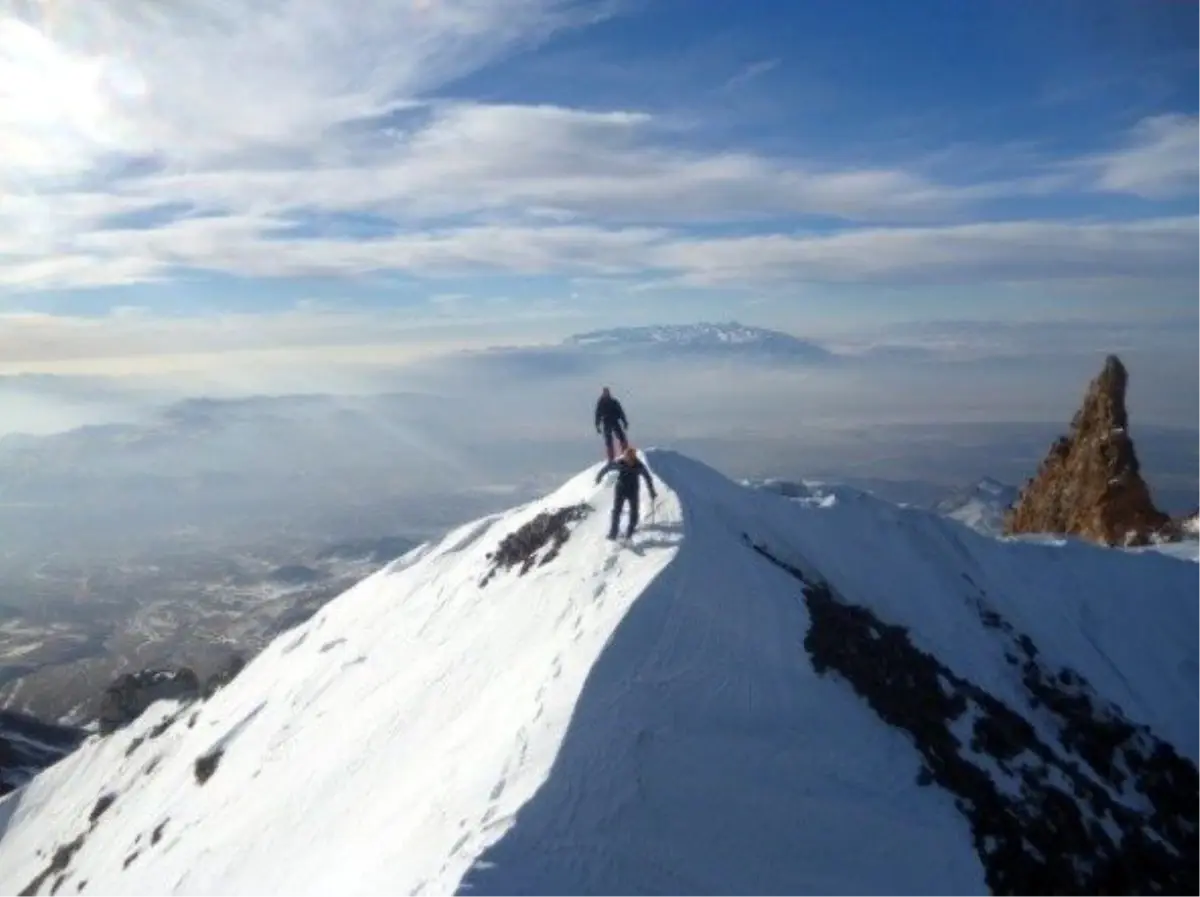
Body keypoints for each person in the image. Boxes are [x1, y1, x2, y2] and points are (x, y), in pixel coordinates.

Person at [595, 446, 657, 540]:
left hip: (633, 491)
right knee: (617, 511)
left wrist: (651, 491)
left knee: (634, 512)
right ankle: (613, 533)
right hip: (620, 490)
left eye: (630, 458)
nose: (629, 460)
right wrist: (599, 477)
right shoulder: (620, 463)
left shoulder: (639, 466)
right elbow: (608, 468)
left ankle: (630, 531)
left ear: (634, 457)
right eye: (627, 457)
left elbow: (647, 478)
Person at [594, 386, 629, 461]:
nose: (606, 394)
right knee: (609, 440)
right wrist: (597, 426)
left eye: (607, 392)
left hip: (614, 421)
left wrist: (625, 422)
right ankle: (611, 458)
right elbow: (598, 414)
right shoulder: (601, 403)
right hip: (607, 422)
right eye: (605, 392)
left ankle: (626, 453)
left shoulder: (613, 402)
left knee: (622, 437)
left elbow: (621, 412)